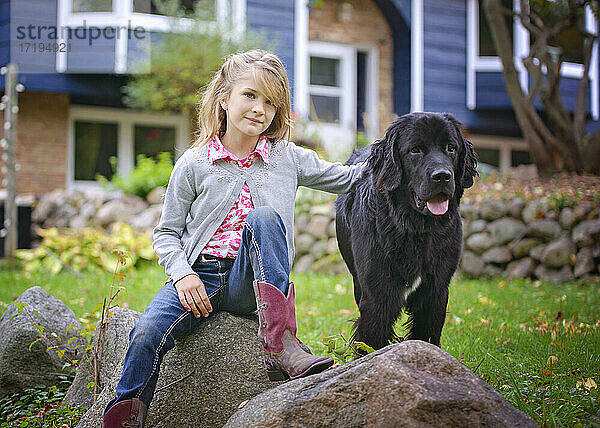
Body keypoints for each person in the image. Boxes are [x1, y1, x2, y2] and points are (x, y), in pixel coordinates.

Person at [102, 50, 365, 427]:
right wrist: (183, 275)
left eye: (272, 102)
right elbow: (166, 234)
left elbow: (347, 176)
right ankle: (127, 414)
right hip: (200, 278)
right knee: (144, 333)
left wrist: (402, 160)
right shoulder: (194, 163)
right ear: (224, 98)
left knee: (265, 217)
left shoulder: (286, 158)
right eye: (250, 96)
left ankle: (281, 343)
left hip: (251, 283)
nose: (260, 109)